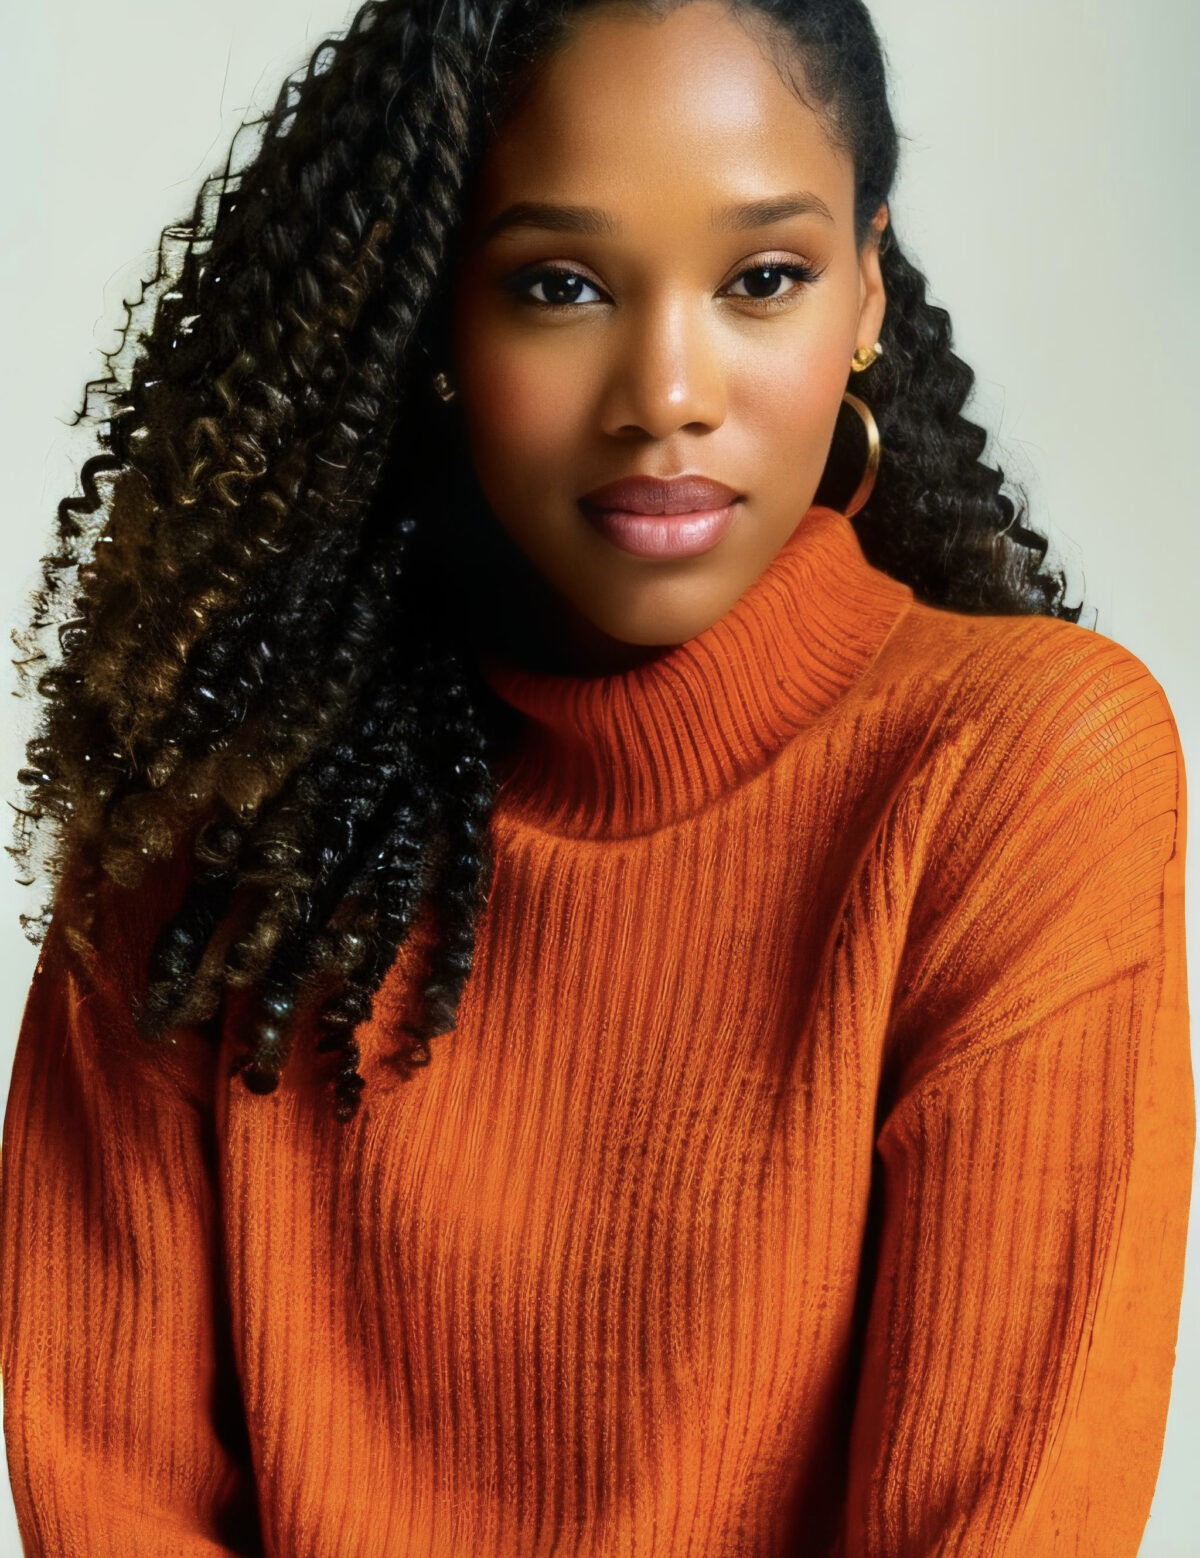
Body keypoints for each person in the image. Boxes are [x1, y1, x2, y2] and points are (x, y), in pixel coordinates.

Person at [0, 0, 1191, 1552]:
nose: (667, 393)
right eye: (559, 285)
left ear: (870, 293)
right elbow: (111, 1495)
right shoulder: (220, 812)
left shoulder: (1013, 774)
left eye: (764, 278)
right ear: (435, 317)